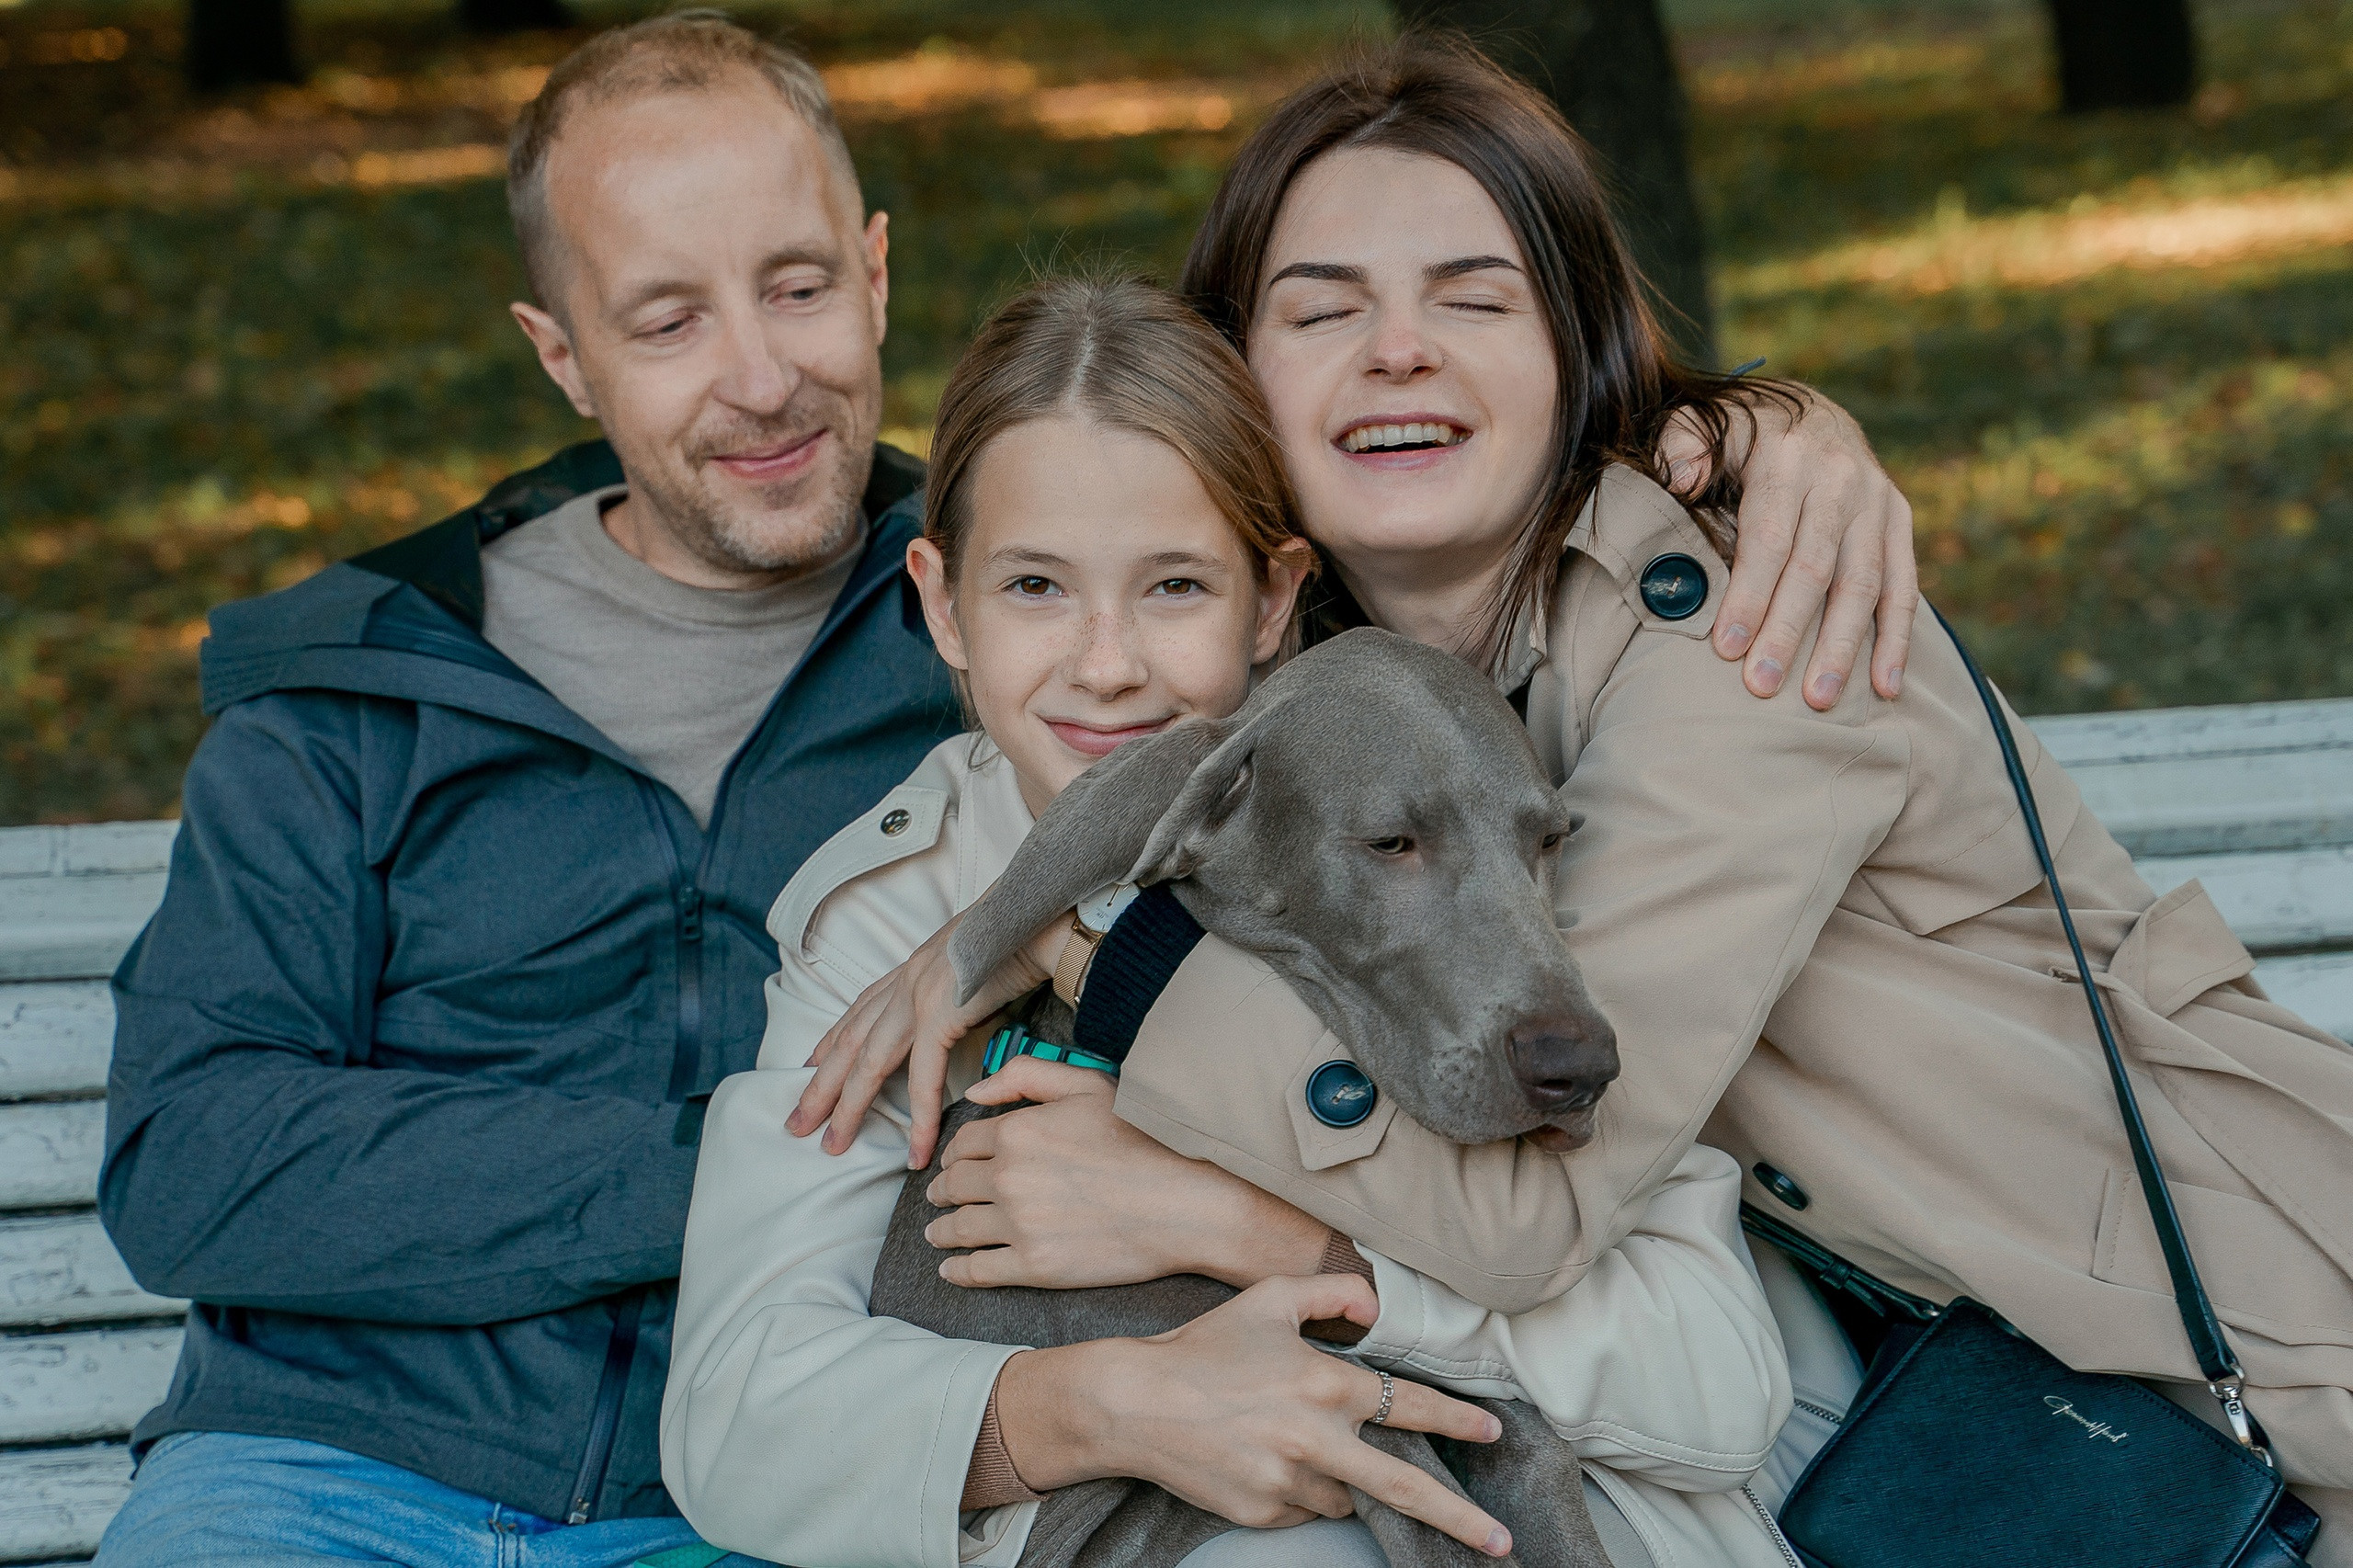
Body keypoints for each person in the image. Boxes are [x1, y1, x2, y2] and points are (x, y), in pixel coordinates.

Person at [93, 16, 1920, 1566]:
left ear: (874, 272)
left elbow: (1405, 521)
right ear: (559, 355)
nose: (756, 377)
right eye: (664, 320)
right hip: (333, 1456)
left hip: (743, 1503)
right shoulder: (356, 697)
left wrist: (1755, 435)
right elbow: (195, 1159)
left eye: (797, 286)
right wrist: (785, 1165)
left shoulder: (1114, 622)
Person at [810, 36, 2353, 1561]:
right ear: (1242, 376)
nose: (1398, 347)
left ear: (1574, 345)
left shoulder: (1752, 638)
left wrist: (1095, 952)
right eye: (1321, 307)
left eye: (1474, 297)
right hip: (1932, 1421)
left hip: (2249, 1401)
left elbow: (1517, 1217)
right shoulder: (1364, 688)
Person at [664, 275, 1801, 1568]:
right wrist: (1120, 1407)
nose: (1107, 663)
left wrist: (1256, 1231)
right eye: (1035, 586)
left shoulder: (1441, 814)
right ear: (941, 602)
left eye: (1175, 589)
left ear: (1272, 598)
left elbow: (1716, 1381)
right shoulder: (894, 922)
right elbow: (736, 1413)